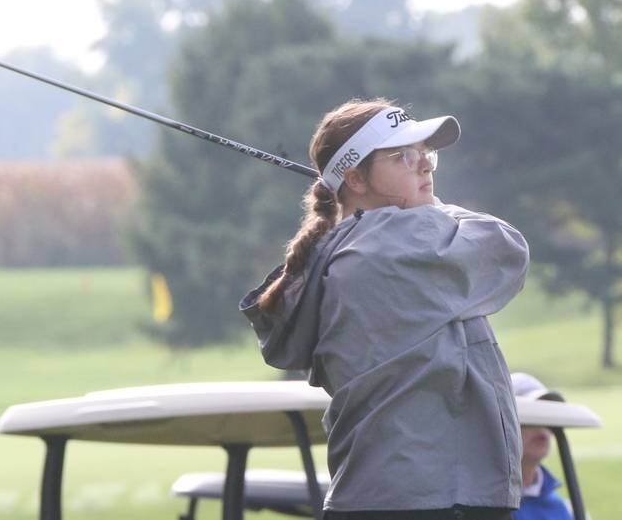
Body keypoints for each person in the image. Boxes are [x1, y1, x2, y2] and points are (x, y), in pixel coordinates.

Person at [239, 98, 530, 520]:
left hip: (387, 493)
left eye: (425, 154)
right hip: (431, 496)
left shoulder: (347, 248)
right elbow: (507, 249)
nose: (425, 166)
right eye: (403, 156)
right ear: (355, 177)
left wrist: (393, 202)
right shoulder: (391, 245)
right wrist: (424, 206)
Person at [511, 372, 574, 520]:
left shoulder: (561, 507)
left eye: (546, 416)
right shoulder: (481, 505)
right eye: (530, 418)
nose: (541, 427)